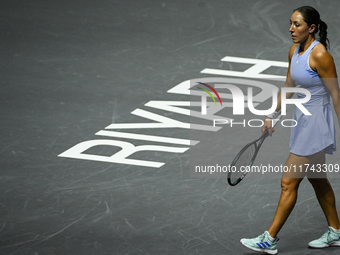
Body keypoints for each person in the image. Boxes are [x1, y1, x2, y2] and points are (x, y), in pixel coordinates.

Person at [240, 6, 340, 254]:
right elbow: (288, 84)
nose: (291, 29)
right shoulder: (294, 51)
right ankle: (336, 232)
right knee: (318, 180)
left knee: (288, 182)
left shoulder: (321, 56)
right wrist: (272, 114)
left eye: (297, 25)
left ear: (312, 28)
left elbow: (336, 94)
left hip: (316, 125)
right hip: (302, 121)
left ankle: (269, 238)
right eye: (291, 24)